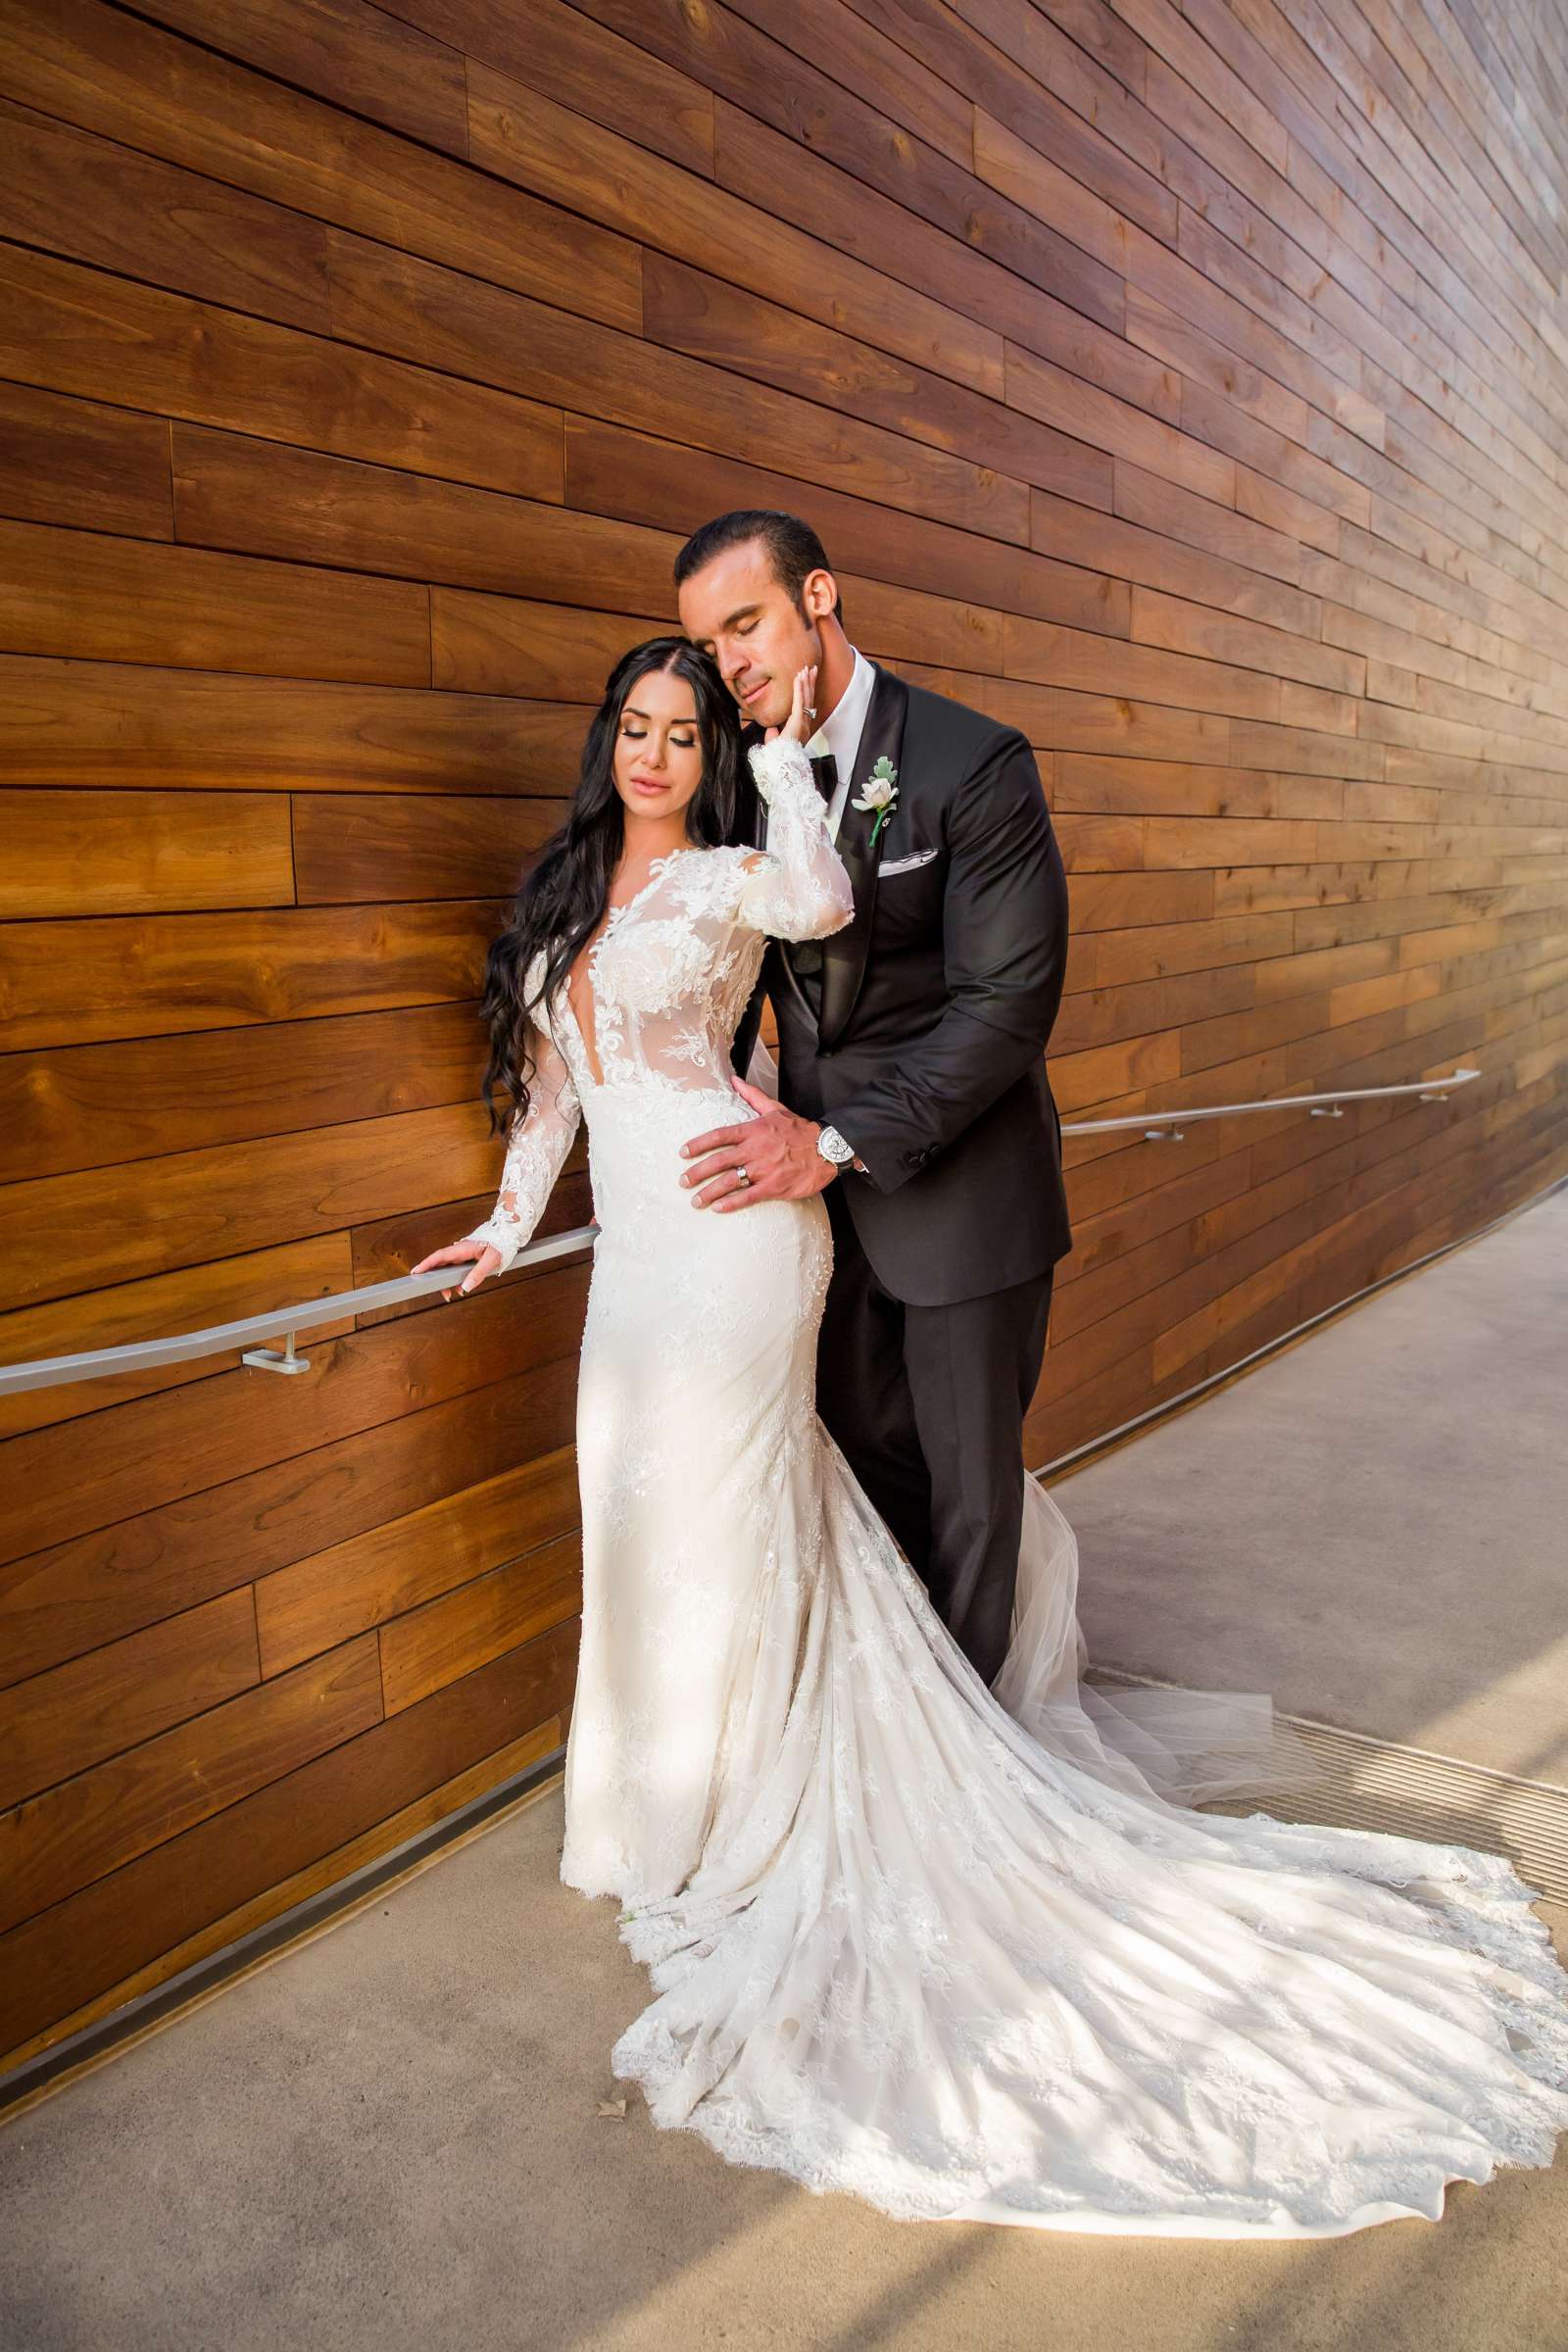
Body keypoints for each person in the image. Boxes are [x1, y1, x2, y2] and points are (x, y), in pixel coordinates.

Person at [413, 632, 1568, 2237]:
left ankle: (748, 1805)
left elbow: (824, 904)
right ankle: (645, 1809)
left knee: (738, 1516)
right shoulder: (568, 895)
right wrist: (495, 1226)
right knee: (637, 1509)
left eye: (686, 730)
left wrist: (789, 761)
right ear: (604, 735)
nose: (658, 753)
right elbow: (553, 1099)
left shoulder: (745, 870)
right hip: (631, 1271)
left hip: (740, 1235)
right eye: (640, 726)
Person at [672, 511, 1069, 1689]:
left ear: (819, 598)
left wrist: (835, 1142)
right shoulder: (741, 782)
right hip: (812, 1218)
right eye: (710, 643)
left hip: (959, 1196)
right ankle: (902, 1726)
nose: (732, 661)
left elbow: (1004, 1005)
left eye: (747, 623)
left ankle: (981, 1772)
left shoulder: (971, 761)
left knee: (968, 1501)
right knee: (853, 1464)